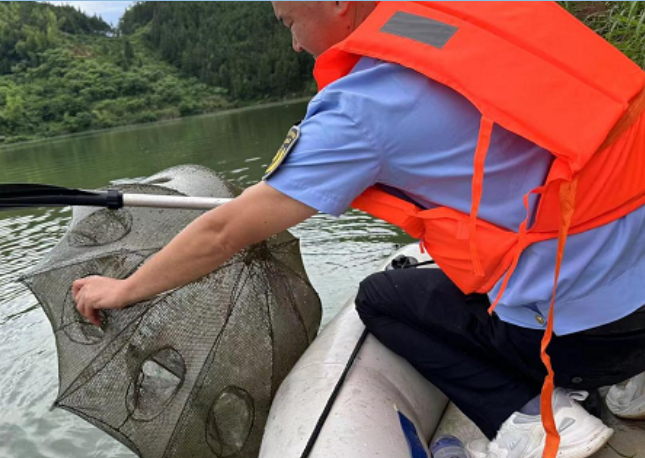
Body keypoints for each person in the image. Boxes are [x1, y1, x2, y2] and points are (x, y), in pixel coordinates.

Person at [73, 2, 645, 458]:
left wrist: (123, 289)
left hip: (591, 340)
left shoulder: (361, 108)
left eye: (290, 21)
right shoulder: (457, 30)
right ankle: (632, 384)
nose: (295, 44)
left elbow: (223, 232)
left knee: (382, 298)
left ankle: (533, 419)